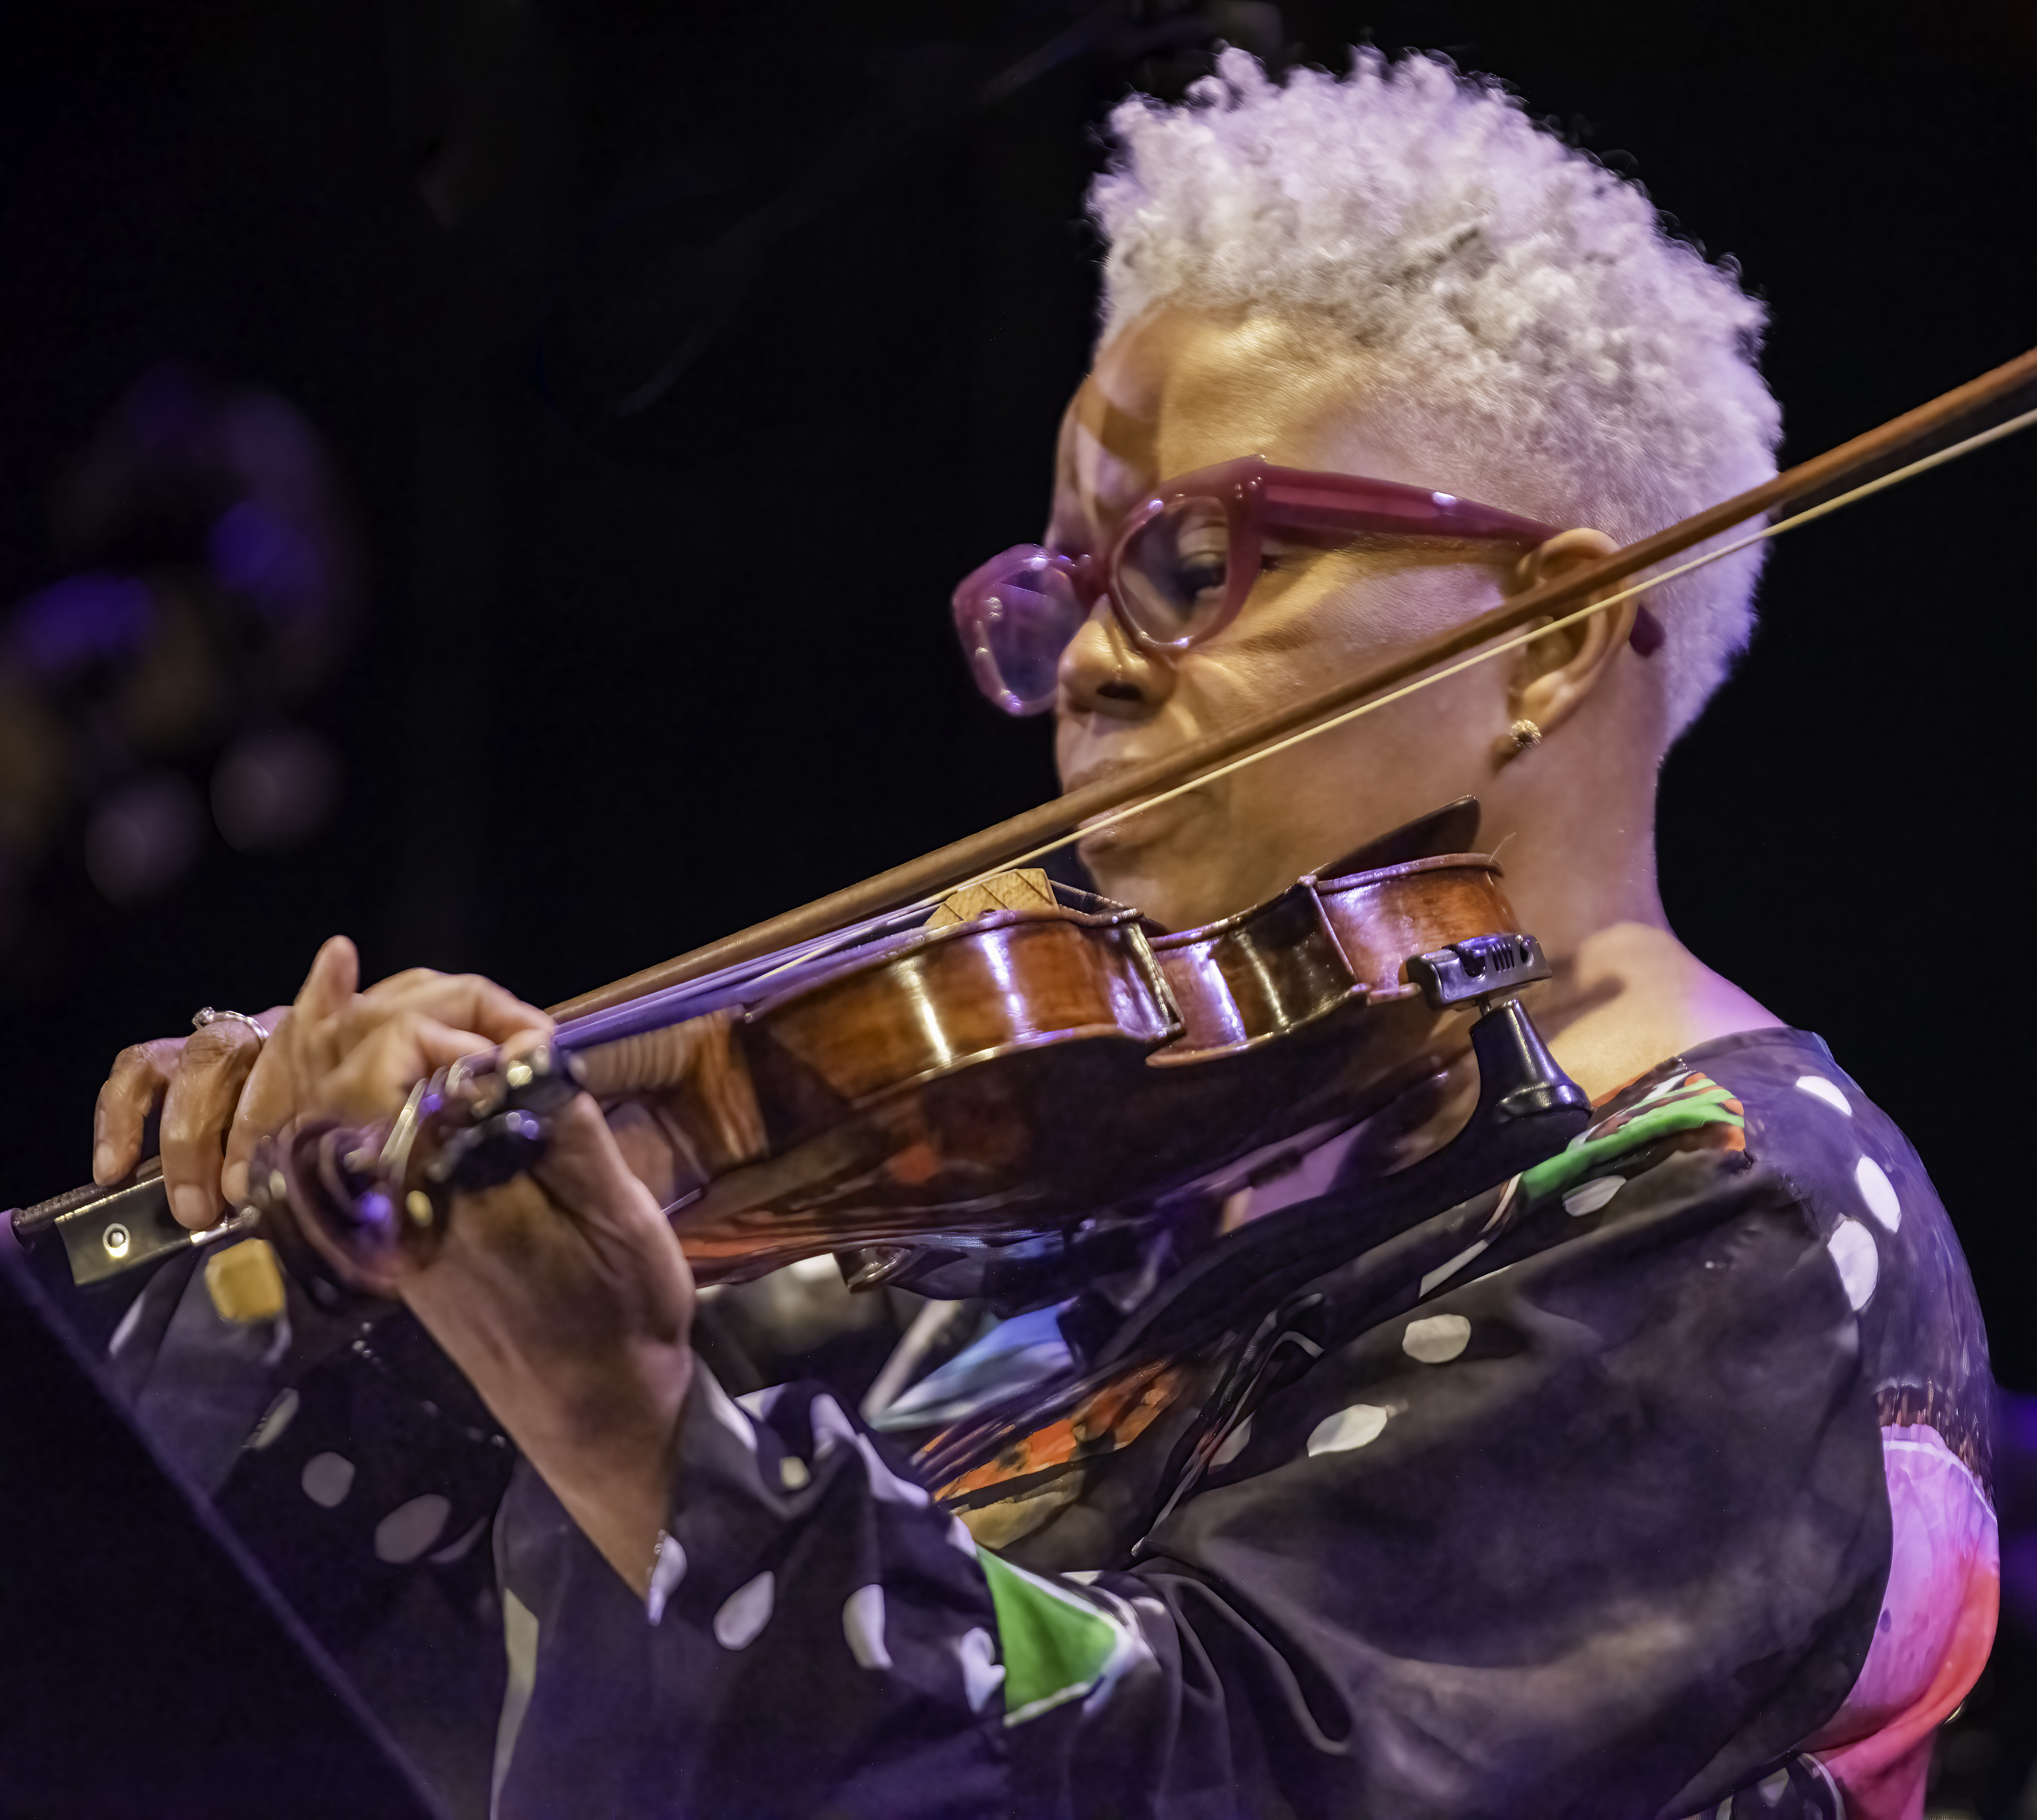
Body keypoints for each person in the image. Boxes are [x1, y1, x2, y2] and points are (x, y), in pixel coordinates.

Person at [87, 50, 1994, 1819]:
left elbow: (1213, 1761)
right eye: (1065, 586)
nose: (1086, 658)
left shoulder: (1736, 1222)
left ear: (1550, 636)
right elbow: (399, 1681)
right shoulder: (1047, 1160)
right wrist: (317, 1275)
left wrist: (628, 1412)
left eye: (1190, 566)